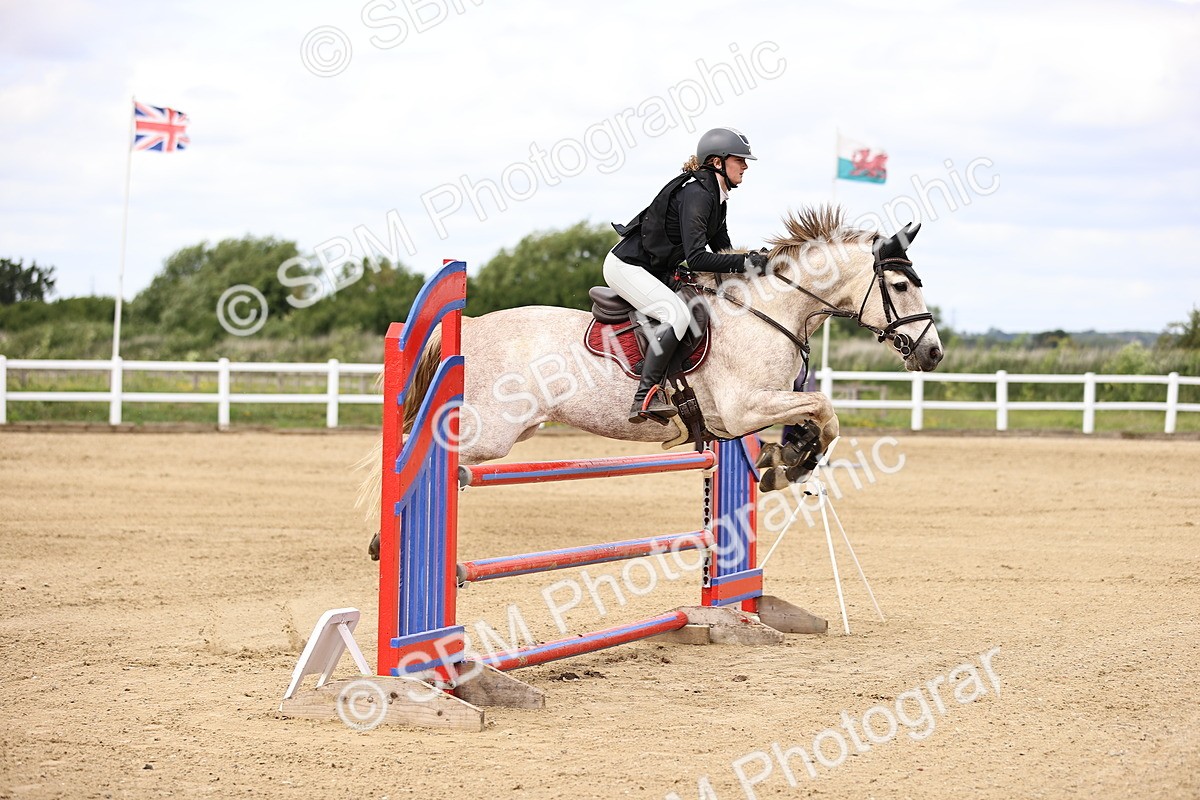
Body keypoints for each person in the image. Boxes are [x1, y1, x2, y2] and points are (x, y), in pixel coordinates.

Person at [606, 127, 769, 423]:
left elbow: (724, 252)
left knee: (701, 309)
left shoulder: (716, 199)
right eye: (740, 160)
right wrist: (746, 262)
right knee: (676, 315)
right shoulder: (697, 194)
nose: (745, 166)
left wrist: (761, 264)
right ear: (718, 162)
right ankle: (645, 397)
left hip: (656, 270)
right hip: (627, 267)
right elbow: (696, 258)